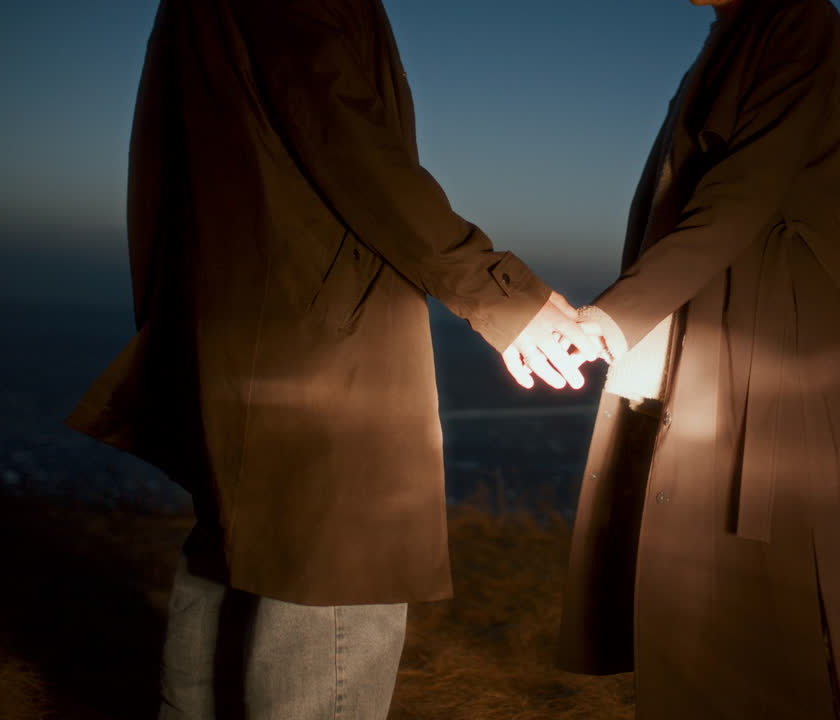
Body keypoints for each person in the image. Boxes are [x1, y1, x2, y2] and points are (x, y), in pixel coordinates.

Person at [67, 0, 597, 717]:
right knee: (343, 559)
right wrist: (499, 292)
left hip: (242, 318)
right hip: (319, 337)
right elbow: (347, 139)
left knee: (236, 547)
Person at [557, 0, 840, 718]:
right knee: (696, 582)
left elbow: (744, 190)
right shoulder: (739, 30)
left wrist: (617, 314)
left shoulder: (801, 20)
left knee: (754, 589)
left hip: (765, 341)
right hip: (710, 325)